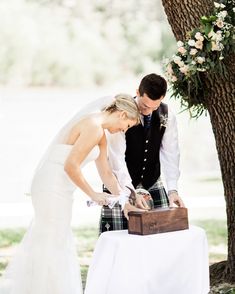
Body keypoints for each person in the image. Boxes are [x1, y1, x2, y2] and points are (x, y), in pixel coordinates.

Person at [0, 94, 144, 294]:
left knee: (57, 239)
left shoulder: (101, 134)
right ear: (122, 115)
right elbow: (71, 166)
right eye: (127, 125)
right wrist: (93, 194)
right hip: (51, 184)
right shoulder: (92, 126)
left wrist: (124, 201)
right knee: (51, 239)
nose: (123, 130)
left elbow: (106, 172)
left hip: (62, 187)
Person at [100, 73, 185, 233]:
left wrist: (172, 190)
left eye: (154, 107)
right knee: (118, 237)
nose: (148, 112)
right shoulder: (120, 115)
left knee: (160, 236)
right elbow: (116, 158)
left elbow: (171, 154)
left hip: (152, 180)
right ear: (137, 92)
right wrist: (129, 193)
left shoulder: (167, 115)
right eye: (145, 106)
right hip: (119, 181)